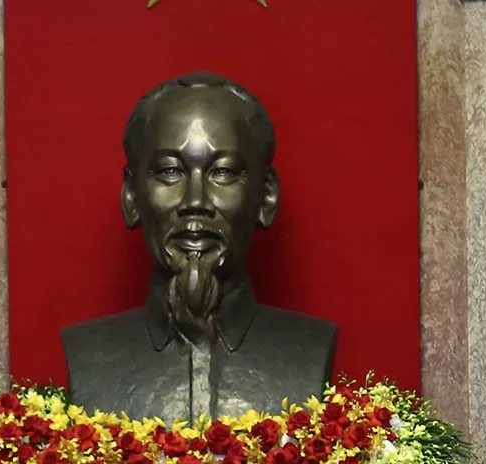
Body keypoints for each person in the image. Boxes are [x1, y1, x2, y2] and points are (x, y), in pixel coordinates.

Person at [62, 71, 336, 421]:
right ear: (131, 196)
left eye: (222, 172)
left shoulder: (310, 348)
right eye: (169, 171)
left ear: (266, 197)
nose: (195, 201)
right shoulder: (88, 352)